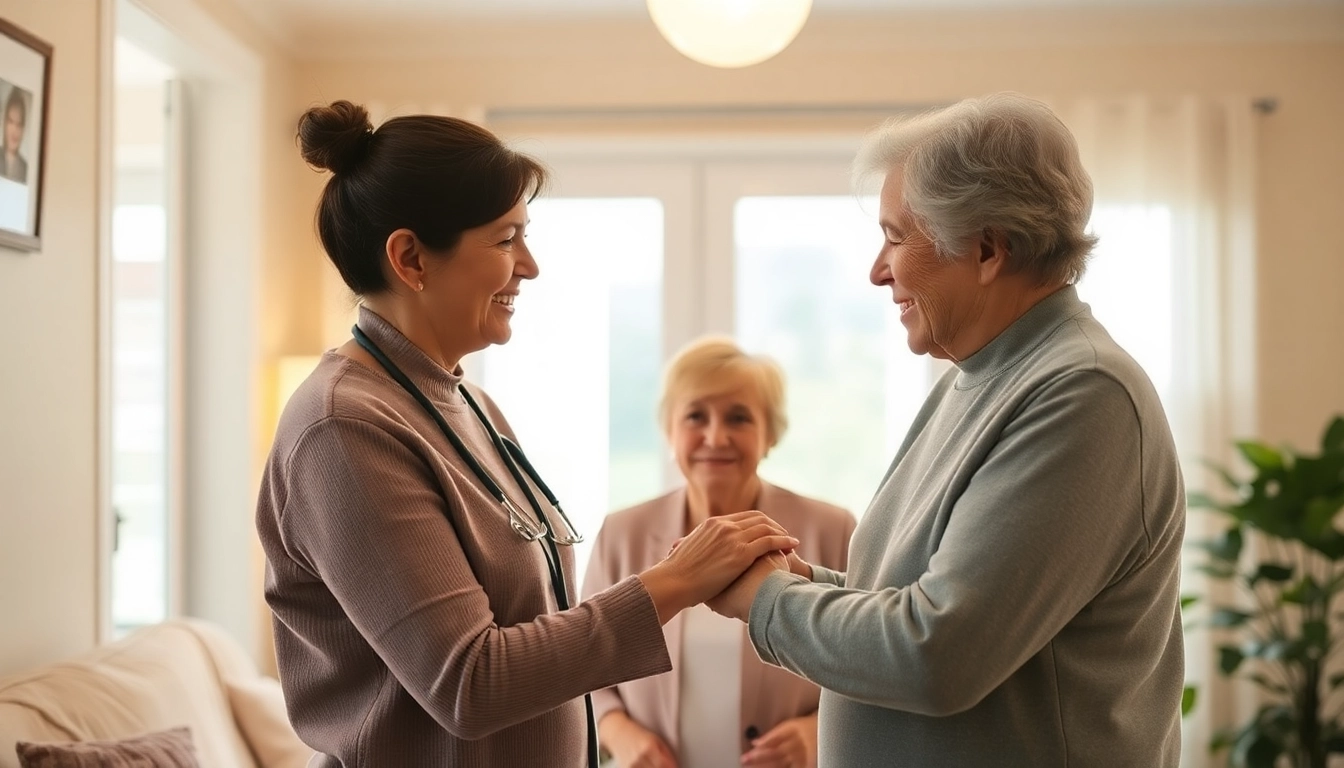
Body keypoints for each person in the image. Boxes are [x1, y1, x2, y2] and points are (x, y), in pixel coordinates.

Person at [255, 100, 801, 768]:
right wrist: (674, 582)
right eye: (506, 239)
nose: (531, 265)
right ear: (410, 258)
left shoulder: (467, 403)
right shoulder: (343, 428)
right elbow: (470, 683)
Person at [708, 92, 1186, 767]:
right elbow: (912, 597)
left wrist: (765, 600)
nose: (878, 271)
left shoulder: (1082, 393)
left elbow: (937, 653)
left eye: (895, 237)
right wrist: (801, 578)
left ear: (987, 248)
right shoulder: (979, 378)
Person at [583, 337, 856, 768]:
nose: (716, 436)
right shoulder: (621, 534)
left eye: (739, 418)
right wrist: (620, 733)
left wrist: (814, 732)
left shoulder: (833, 529)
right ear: (670, 432)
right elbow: (586, 664)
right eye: (695, 416)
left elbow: (865, 660)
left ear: (769, 434)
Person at [1, 87, 28, 184]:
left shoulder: (26, 169)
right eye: (11, 121)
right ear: (4, 123)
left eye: (19, 124)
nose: (15, 130)